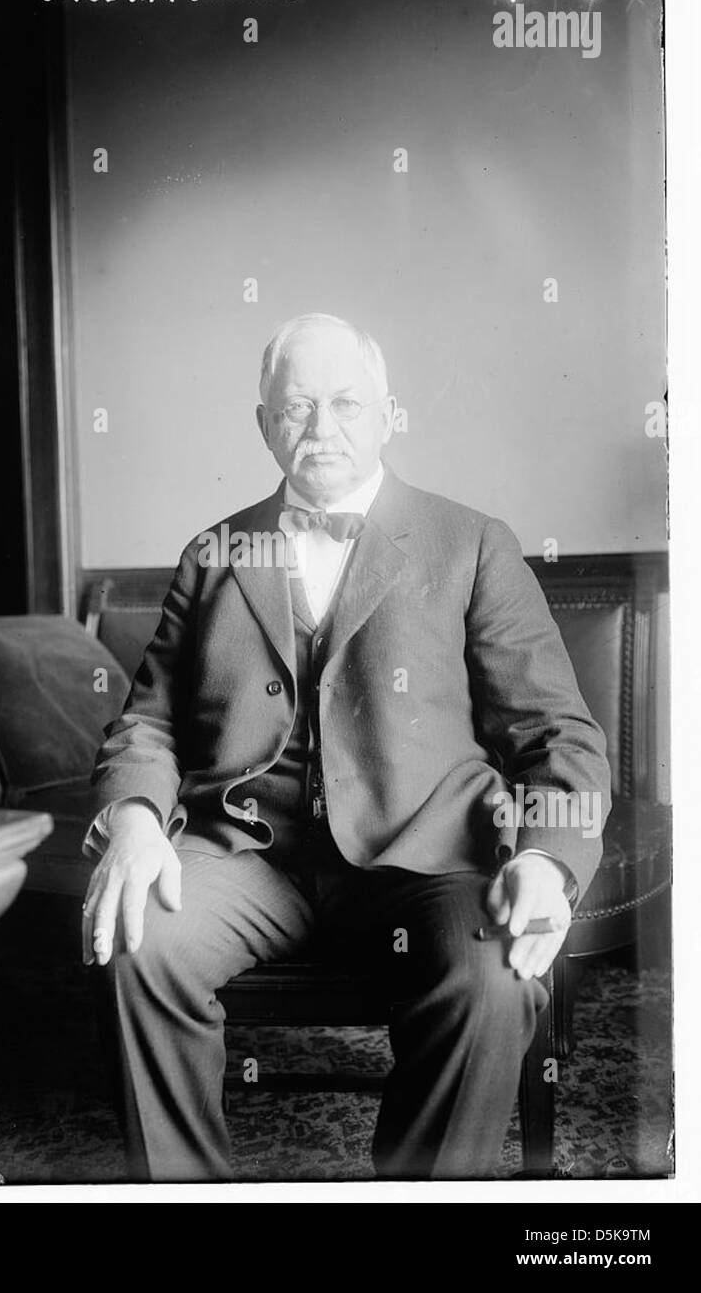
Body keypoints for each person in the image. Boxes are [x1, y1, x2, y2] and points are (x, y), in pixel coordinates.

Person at [81, 312, 611, 1181]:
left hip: (427, 855)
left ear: (389, 415)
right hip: (250, 855)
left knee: (493, 976)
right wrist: (135, 820)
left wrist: (547, 862)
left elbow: (557, 734)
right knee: (140, 940)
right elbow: (149, 721)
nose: (320, 429)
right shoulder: (213, 552)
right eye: (294, 409)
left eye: (345, 405)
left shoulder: (472, 544)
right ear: (262, 426)